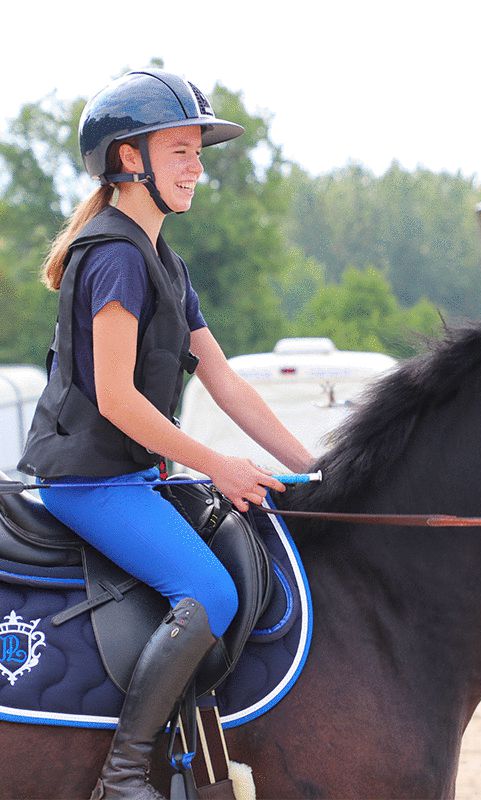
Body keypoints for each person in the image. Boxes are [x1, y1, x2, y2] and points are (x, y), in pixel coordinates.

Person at [17, 68, 313, 799]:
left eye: (198, 153)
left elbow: (224, 379)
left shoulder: (167, 266)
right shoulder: (114, 255)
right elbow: (116, 399)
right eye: (181, 151)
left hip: (133, 477)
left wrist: (311, 465)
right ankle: (123, 773)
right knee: (209, 593)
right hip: (87, 481)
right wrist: (220, 465)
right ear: (129, 159)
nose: (197, 168)